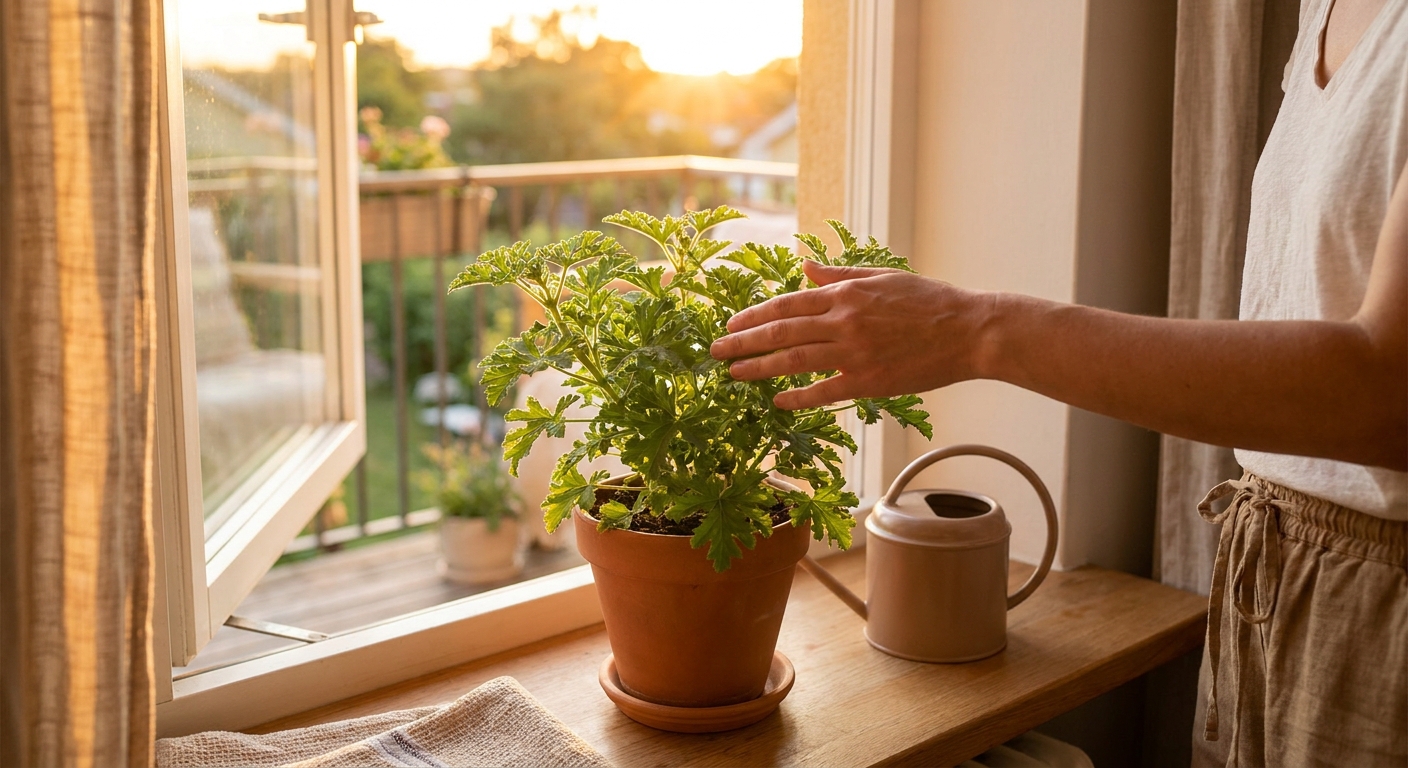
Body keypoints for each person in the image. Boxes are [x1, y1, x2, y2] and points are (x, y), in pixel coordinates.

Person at [709, 0, 1407, 764]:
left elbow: (1387, 394)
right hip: (1277, 575)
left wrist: (973, 328)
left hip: (1382, 604)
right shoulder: (1322, 11)